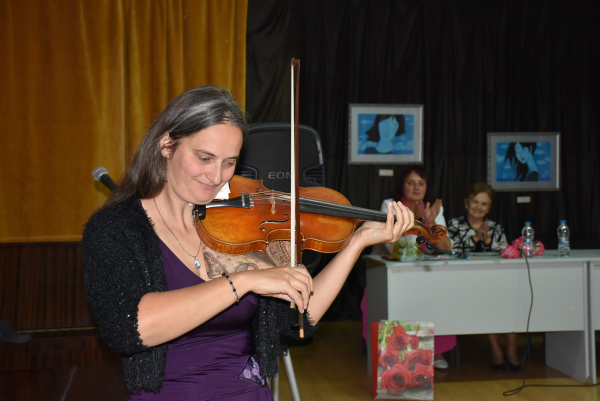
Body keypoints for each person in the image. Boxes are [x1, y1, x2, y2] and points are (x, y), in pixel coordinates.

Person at [82, 85, 415, 400]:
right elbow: (130, 328)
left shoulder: (242, 226)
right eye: (204, 158)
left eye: (229, 162)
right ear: (167, 145)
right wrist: (244, 281)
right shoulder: (115, 228)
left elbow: (298, 319)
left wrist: (357, 242)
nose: (216, 176)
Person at [363, 165, 454, 369]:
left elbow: (446, 248)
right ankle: (402, 356)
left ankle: (434, 350)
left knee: (439, 297)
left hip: (426, 275)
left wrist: (431, 222)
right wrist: (415, 221)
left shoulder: (433, 209)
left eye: (421, 183)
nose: (416, 187)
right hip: (391, 273)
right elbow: (393, 247)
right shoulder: (390, 206)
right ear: (402, 186)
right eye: (410, 183)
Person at [446, 183, 519, 372]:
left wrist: (487, 240)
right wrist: (476, 238)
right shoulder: (454, 225)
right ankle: (496, 351)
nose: (479, 207)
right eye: (475, 202)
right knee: (489, 299)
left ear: (489, 208)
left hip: (495, 281)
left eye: (484, 204)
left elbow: (508, 252)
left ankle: (512, 351)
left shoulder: (495, 228)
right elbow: (451, 250)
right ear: (466, 203)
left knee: (510, 298)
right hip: (464, 282)